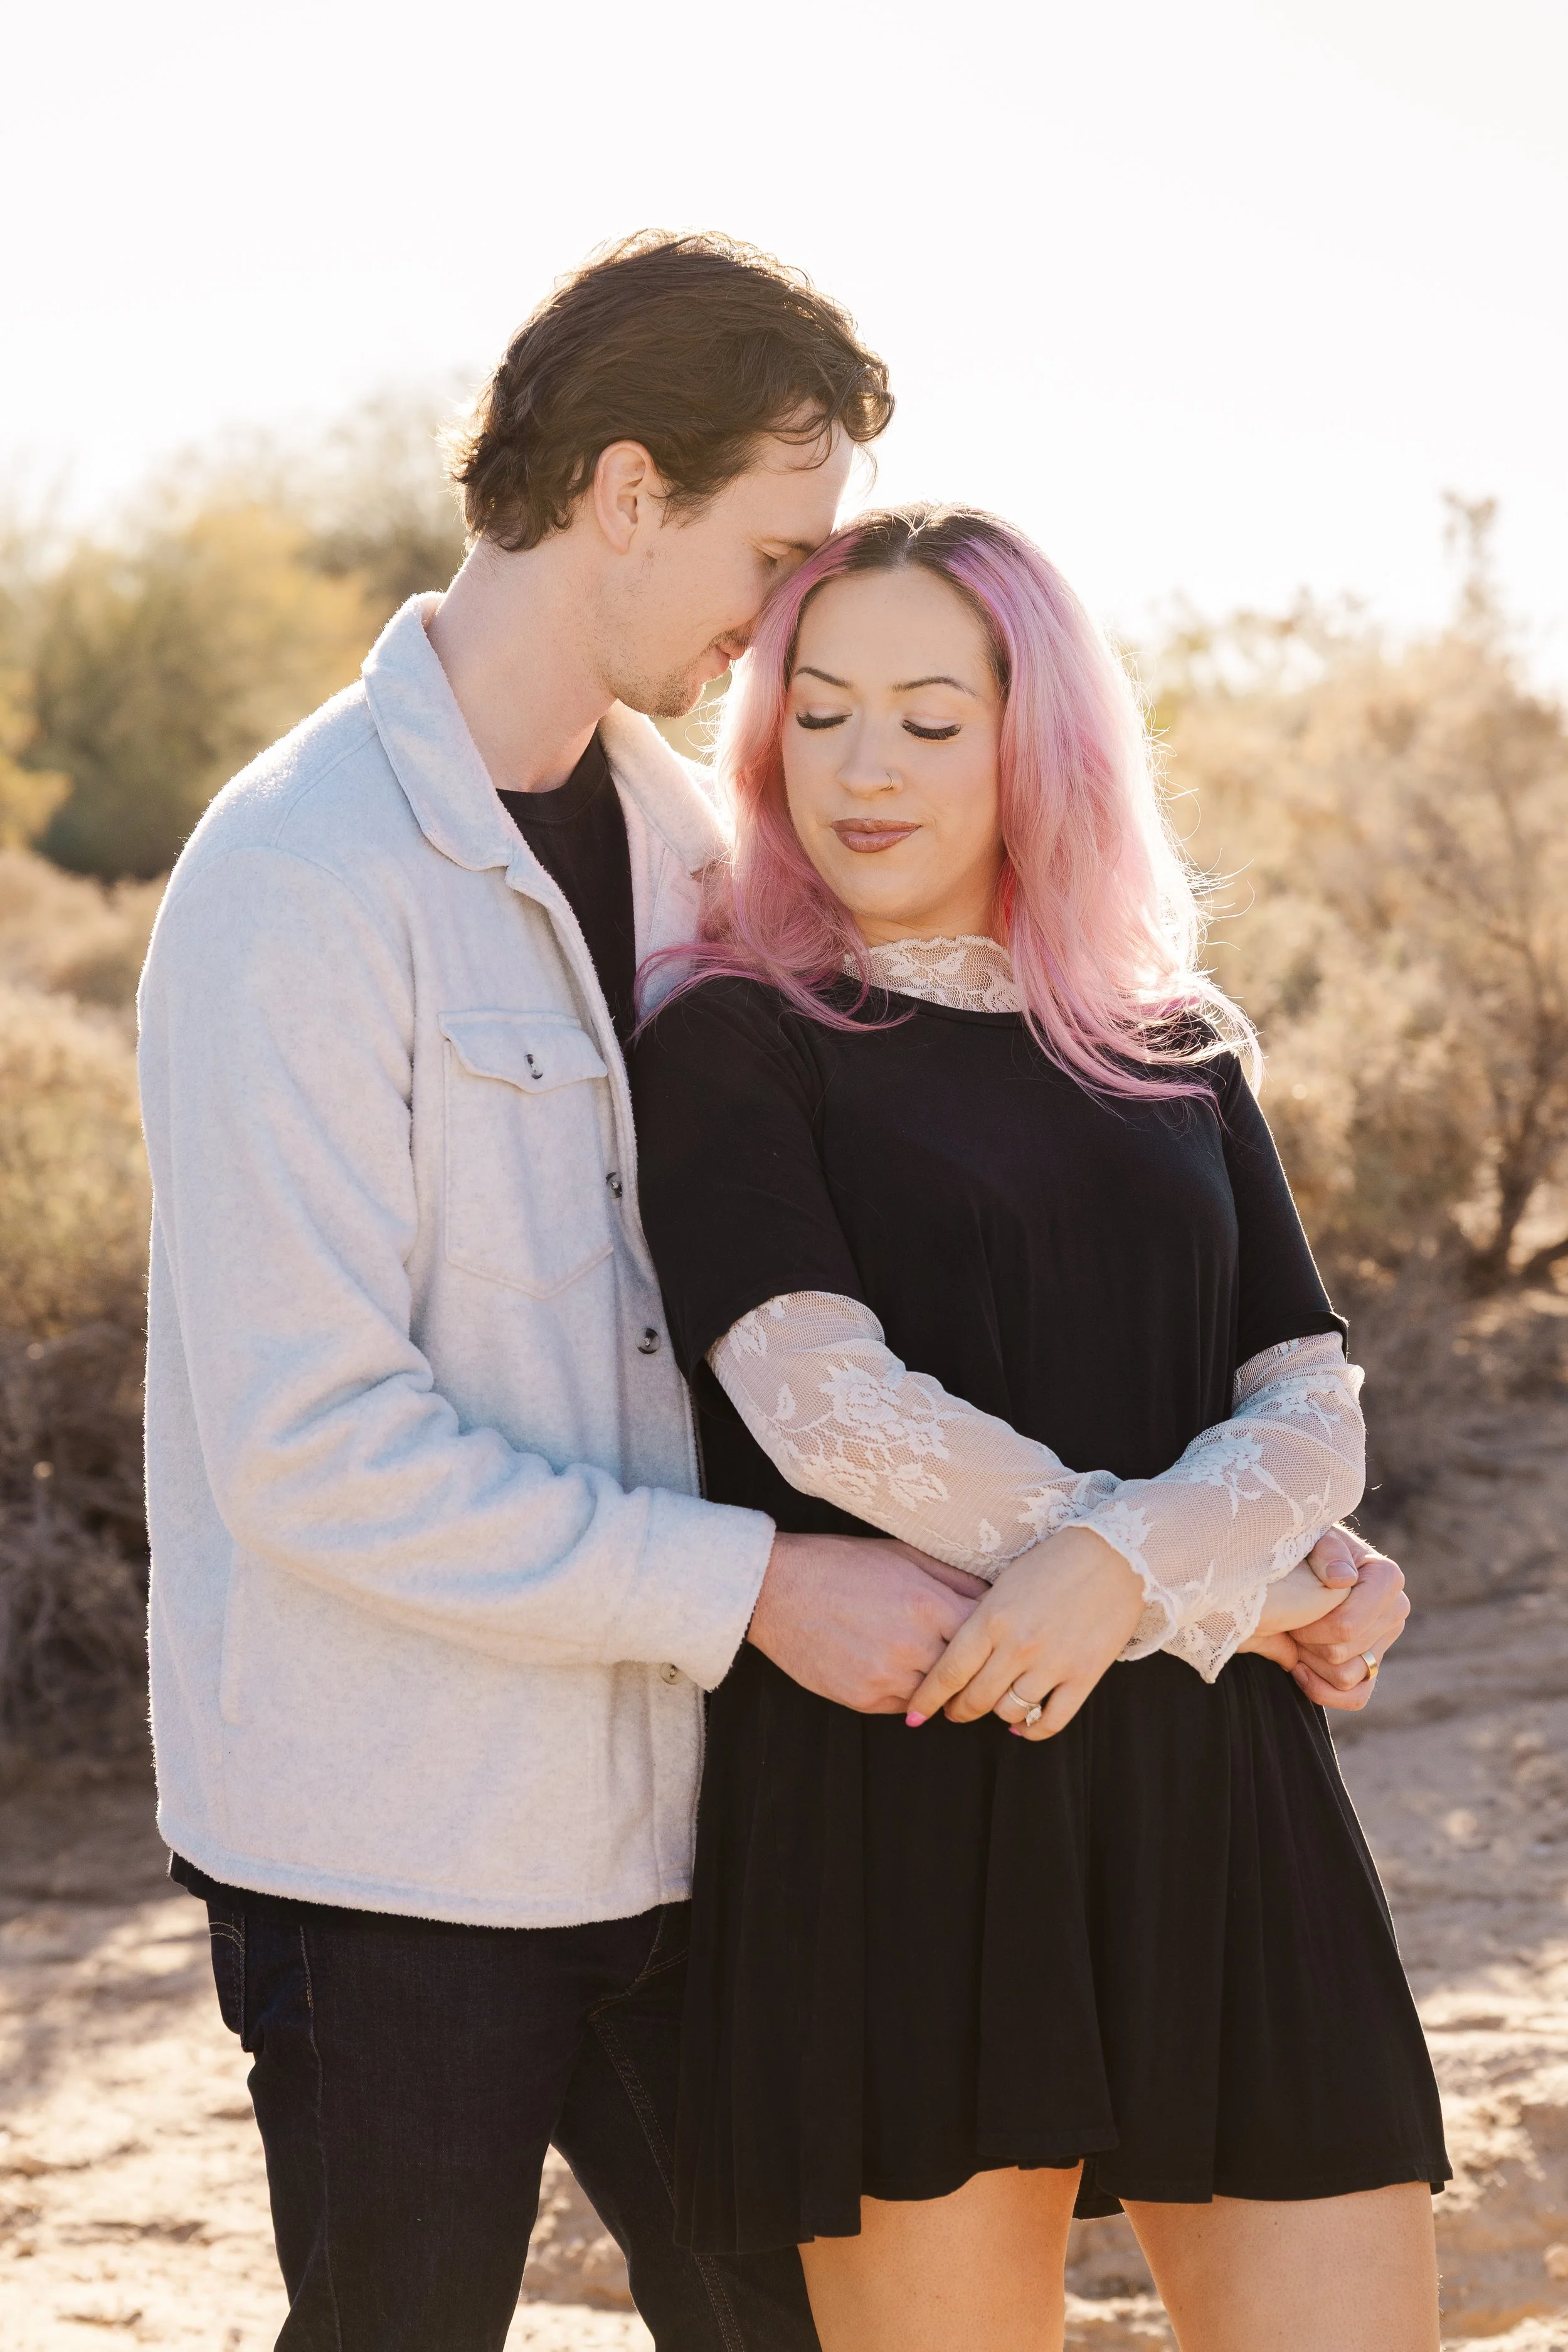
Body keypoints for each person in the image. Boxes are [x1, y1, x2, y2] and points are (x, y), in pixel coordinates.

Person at [134, 231, 967, 2352]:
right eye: (768, 550)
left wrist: (1207, 1520)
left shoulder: (702, 856)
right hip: (389, 1852)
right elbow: (310, 1450)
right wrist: (755, 1588)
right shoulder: (298, 873)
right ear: (622, 490)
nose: (785, 613)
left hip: (693, 1823)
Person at [630, 504, 1447, 2352]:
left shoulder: (1172, 1044)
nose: (864, 767)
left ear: (1040, 741)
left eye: (930, 719)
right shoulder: (738, 1038)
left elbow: (1306, 1399)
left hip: (1222, 1797)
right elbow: (818, 1403)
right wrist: (1213, 1589)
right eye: (819, 712)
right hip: (913, 1785)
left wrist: (1129, 1571)